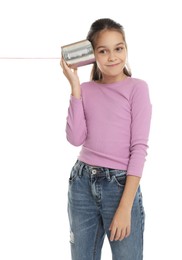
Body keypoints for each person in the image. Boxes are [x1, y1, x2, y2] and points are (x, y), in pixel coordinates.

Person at [60, 18, 152, 260]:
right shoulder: (87, 90)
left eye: (118, 48)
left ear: (126, 49)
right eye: (104, 50)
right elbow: (75, 138)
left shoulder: (137, 89)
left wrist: (125, 206)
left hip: (120, 187)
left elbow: (139, 149)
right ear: (92, 54)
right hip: (82, 184)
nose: (113, 57)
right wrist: (76, 89)